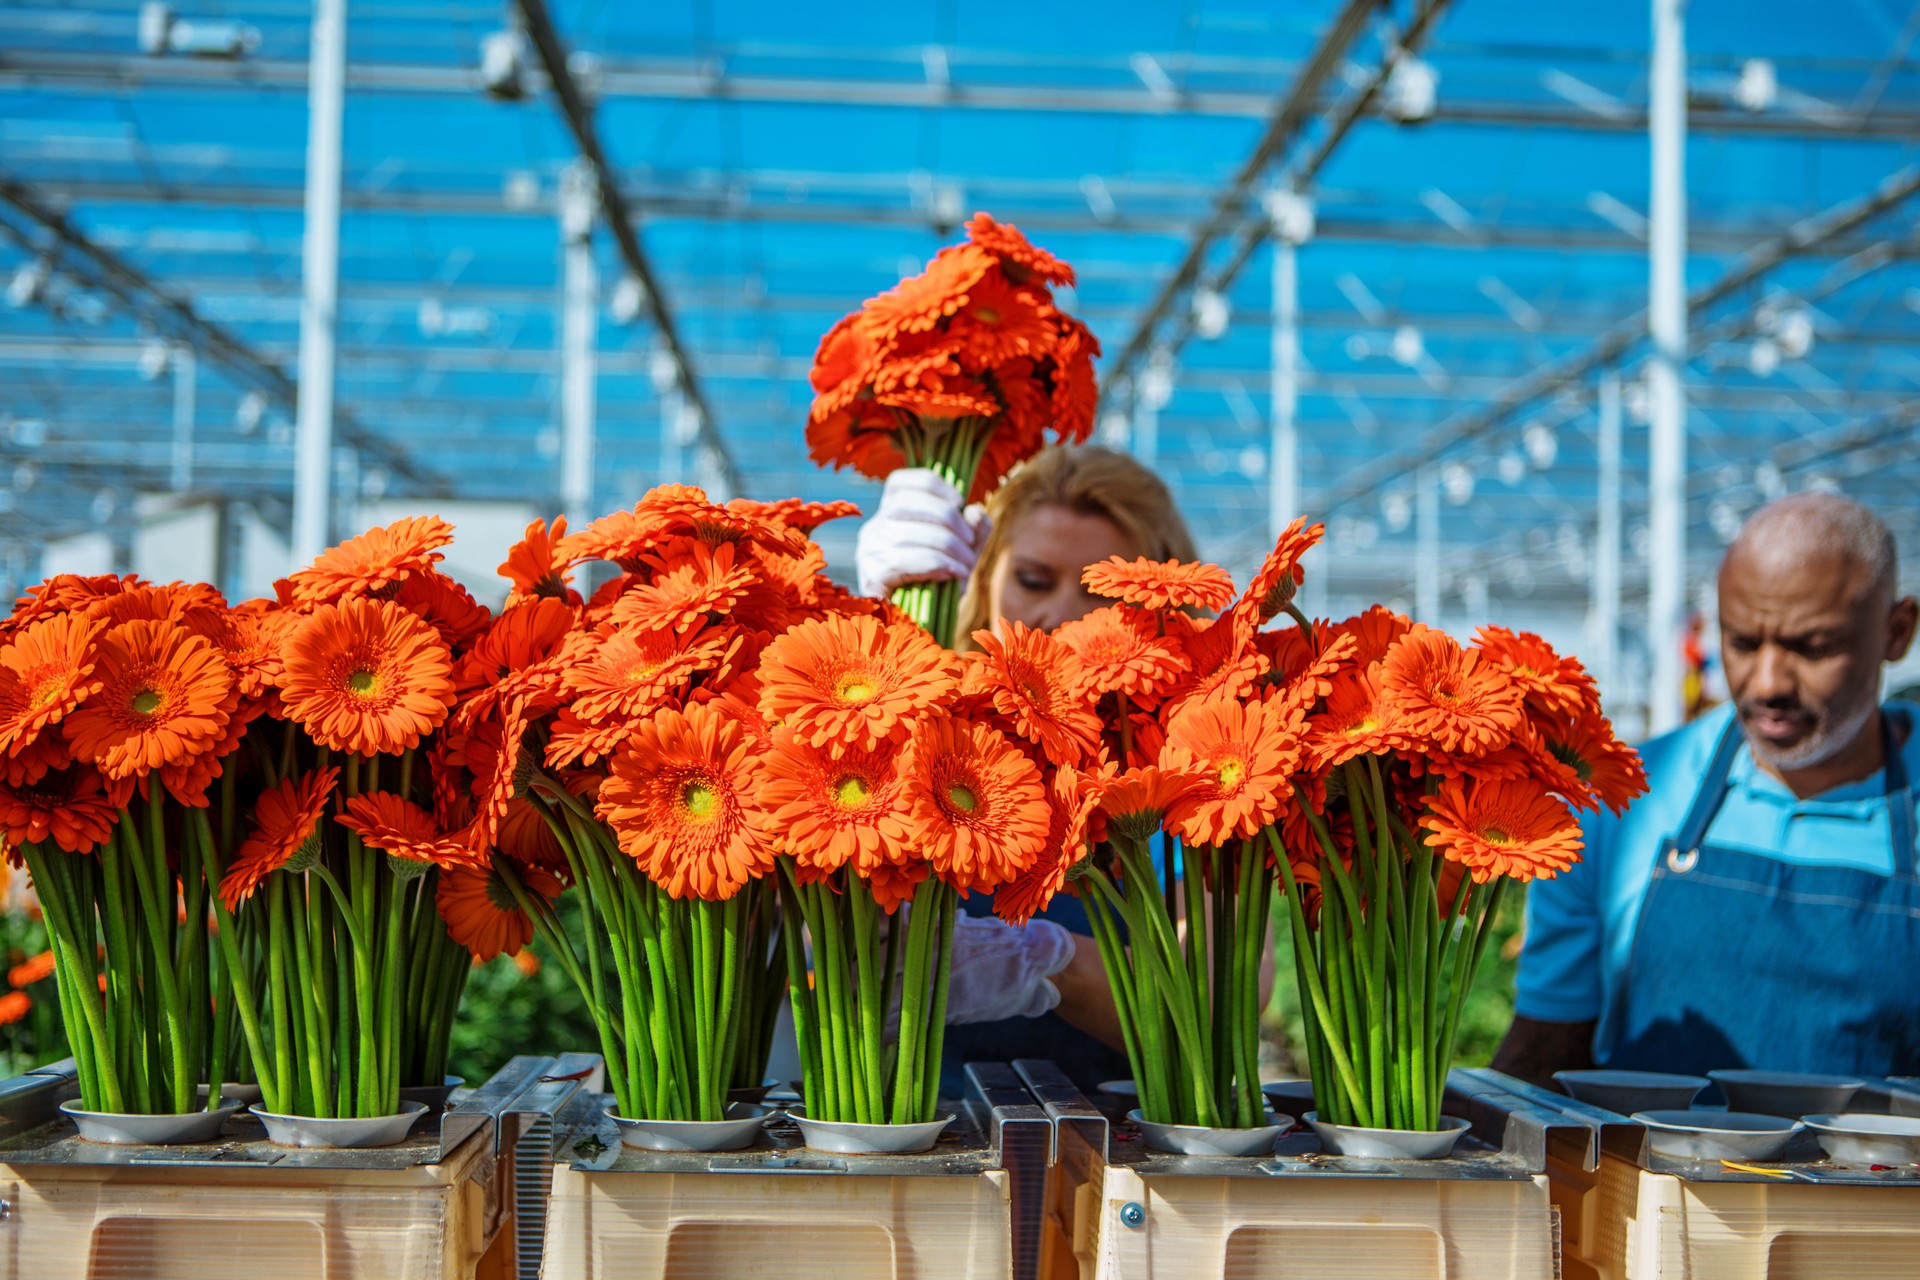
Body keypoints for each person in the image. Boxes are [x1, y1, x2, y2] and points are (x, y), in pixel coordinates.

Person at [1493, 492, 1920, 1084]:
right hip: (1652, 1181)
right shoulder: (1621, 799)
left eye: (1812, 647)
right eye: (1742, 642)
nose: (1768, 682)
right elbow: (1545, 1054)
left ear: (1897, 632)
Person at [856, 445, 1219, 1093]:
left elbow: (1225, 1003)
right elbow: (811, 945)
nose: (1060, 616)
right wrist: (873, 634)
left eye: (1098, 592)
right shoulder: (925, 733)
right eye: (1032, 579)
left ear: (1164, 605)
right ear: (984, 577)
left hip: (1125, 1150)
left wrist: (1043, 966)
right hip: (919, 1143)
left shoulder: (1196, 766)